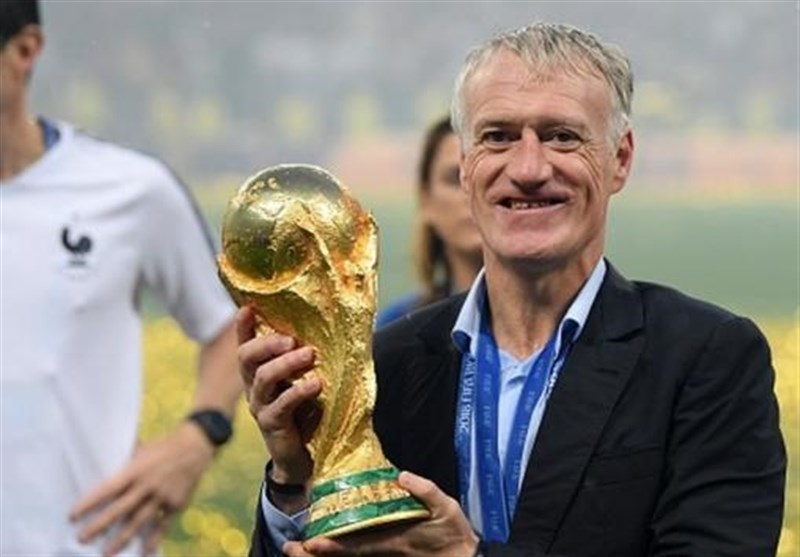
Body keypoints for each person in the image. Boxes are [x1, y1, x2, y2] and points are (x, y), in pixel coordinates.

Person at [238, 22, 786, 557]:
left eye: (562, 137)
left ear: (619, 159)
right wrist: (294, 478)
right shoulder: (387, 367)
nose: (528, 168)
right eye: (498, 137)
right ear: (467, 165)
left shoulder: (705, 359)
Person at [0, 1, 242, 555]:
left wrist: (198, 435)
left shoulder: (129, 190)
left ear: (25, 50)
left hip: (88, 544)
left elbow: (231, 327)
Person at [376, 115, 482, 328]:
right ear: (426, 199)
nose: (471, 194)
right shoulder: (396, 328)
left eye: (483, 177)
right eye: (455, 179)